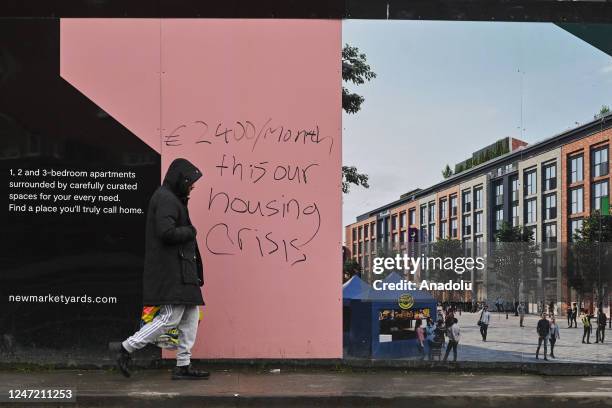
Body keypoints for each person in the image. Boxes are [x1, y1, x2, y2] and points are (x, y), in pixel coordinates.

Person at [115, 158, 209, 380]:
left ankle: (183, 365)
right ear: (180, 180)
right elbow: (166, 233)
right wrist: (191, 231)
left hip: (181, 269)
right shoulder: (166, 199)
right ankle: (126, 348)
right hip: (171, 271)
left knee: (191, 315)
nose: (192, 186)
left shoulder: (172, 198)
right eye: (190, 182)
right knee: (170, 317)